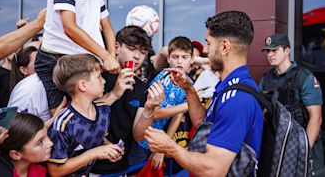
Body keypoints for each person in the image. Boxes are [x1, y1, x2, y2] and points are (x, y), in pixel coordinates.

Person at [144, 11, 264, 176]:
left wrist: (170, 147)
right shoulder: (229, 84)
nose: (206, 50)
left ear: (224, 47)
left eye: (208, 43)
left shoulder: (237, 98)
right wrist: (189, 90)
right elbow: (202, 122)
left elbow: (214, 169)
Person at [35, 0, 120, 114]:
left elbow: (108, 28)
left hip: (82, 62)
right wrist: (105, 56)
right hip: (56, 60)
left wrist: (111, 57)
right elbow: (70, 27)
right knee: (62, 118)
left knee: (89, 115)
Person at [90, 26, 165, 176]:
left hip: (120, 166)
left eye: (143, 52)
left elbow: (139, 136)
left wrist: (149, 109)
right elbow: (82, 114)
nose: (137, 56)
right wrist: (114, 94)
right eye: (131, 49)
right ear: (117, 47)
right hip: (87, 165)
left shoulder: (142, 87)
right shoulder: (97, 76)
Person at [259, 33, 325, 176]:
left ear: (287, 50)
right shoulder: (266, 79)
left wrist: (304, 150)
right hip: (277, 147)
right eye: (268, 51)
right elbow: (262, 112)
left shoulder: (304, 77)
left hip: (302, 145)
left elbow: (316, 117)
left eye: (275, 50)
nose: (270, 54)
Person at [47, 54, 124, 176]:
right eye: (99, 77)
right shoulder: (63, 123)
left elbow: (97, 136)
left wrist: (109, 148)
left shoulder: (103, 110)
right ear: (83, 85)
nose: (104, 81)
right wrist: (94, 153)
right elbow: (55, 171)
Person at [136, 36, 194, 168]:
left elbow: (177, 116)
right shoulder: (164, 78)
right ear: (168, 59)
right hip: (142, 138)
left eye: (184, 57)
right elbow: (154, 113)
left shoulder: (189, 83)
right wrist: (185, 105)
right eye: (175, 57)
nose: (179, 62)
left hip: (158, 141)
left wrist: (163, 147)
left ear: (191, 60)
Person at [0, 113, 53, 177]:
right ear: (16, 154)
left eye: (47, 135)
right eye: (40, 142)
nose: (50, 143)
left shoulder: (40, 165)